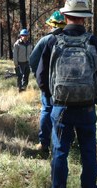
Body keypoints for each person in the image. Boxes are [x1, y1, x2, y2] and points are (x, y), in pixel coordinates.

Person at [36, 0, 97, 188]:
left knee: (60, 151)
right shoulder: (93, 42)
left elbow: (41, 75)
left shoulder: (53, 41)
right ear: (83, 17)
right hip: (86, 107)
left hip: (60, 106)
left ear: (65, 16)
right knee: (88, 151)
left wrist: (52, 96)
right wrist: (96, 97)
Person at [29, 11, 66, 152]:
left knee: (47, 110)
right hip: (66, 86)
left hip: (48, 86)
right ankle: (62, 142)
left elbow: (33, 60)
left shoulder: (46, 40)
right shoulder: (72, 39)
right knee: (64, 113)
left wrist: (39, 77)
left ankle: (44, 143)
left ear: (51, 24)